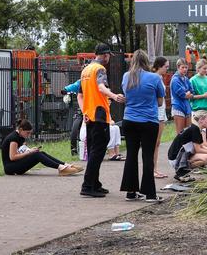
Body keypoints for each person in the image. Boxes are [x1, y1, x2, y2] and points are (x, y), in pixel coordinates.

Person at [78, 43, 125, 198]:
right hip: (99, 115)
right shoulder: (100, 69)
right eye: (109, 55)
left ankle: (95, 184)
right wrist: (114, 96)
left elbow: (81, 94)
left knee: (93, 151)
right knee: (98, 152)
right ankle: (87, 185)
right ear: (105, 55)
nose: (109, 58)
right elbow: (100, 87)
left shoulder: (85, 70)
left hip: (89, 115)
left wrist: (84, 110)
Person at [120, 50, 166, 202]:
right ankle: (150, 194)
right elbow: (160, 102)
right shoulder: (154, 77)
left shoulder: (127, 76)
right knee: (147, 156)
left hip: (129, 120)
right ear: (147, 61)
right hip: (148, 121)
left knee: (131, 155)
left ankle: (131, 191)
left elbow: (127, 96)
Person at [2, 119, 82, 176]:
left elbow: (21, 150)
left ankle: (65, 165)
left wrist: (30, 150)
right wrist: (29, 152)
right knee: (36, 155)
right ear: (20, 129)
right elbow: (13, 157)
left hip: (16, 165)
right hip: (11, 168)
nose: (29, 135)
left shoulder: (21, 136)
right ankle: (61, 168)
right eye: (27, 133)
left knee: (40, 153)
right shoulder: (13, 138)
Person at [168, 110, 207, 182]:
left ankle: (183, 173)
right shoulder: (195, 129)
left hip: (177, 156)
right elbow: (198, 149)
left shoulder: (196, 128)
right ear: (201, 120)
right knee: (206, 158)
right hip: (175, 158)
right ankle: (181, 171)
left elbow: (202, 145)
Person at [151, 57, 170, 179]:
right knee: (154, 143)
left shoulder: (160, 78)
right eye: (165, 67)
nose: (167, 69)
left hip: (161, 113)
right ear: (159, 66)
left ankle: (155, 168)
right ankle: (152, 169)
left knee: (157, 143)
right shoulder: (154, 77)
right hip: (156, 112)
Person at [170, 58, 193, 135]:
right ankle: (178, 147)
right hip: (178, 106)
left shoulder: (186, 79)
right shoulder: (175, 80)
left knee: (188, 132)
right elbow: (183, 95)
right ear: (178, 67)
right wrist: (187, 94)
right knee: (180, 134)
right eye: (182, 67)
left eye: (186, 67)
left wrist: (188, 94)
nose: (185, 69)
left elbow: (192, 91)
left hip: (187, 107)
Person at [61, 79, 82, 156]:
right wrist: (65, 89)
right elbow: (74, 86)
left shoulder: (97, 81)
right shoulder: (81, 81)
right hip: (83, 106)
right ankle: (74, 150)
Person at [190, 59, 207, 124]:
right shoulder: (193, 80)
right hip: (198, 109)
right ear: (198, 68)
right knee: (199, 131)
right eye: (204, 68)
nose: (206, 70)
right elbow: (190, 97)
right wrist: (203, 96)